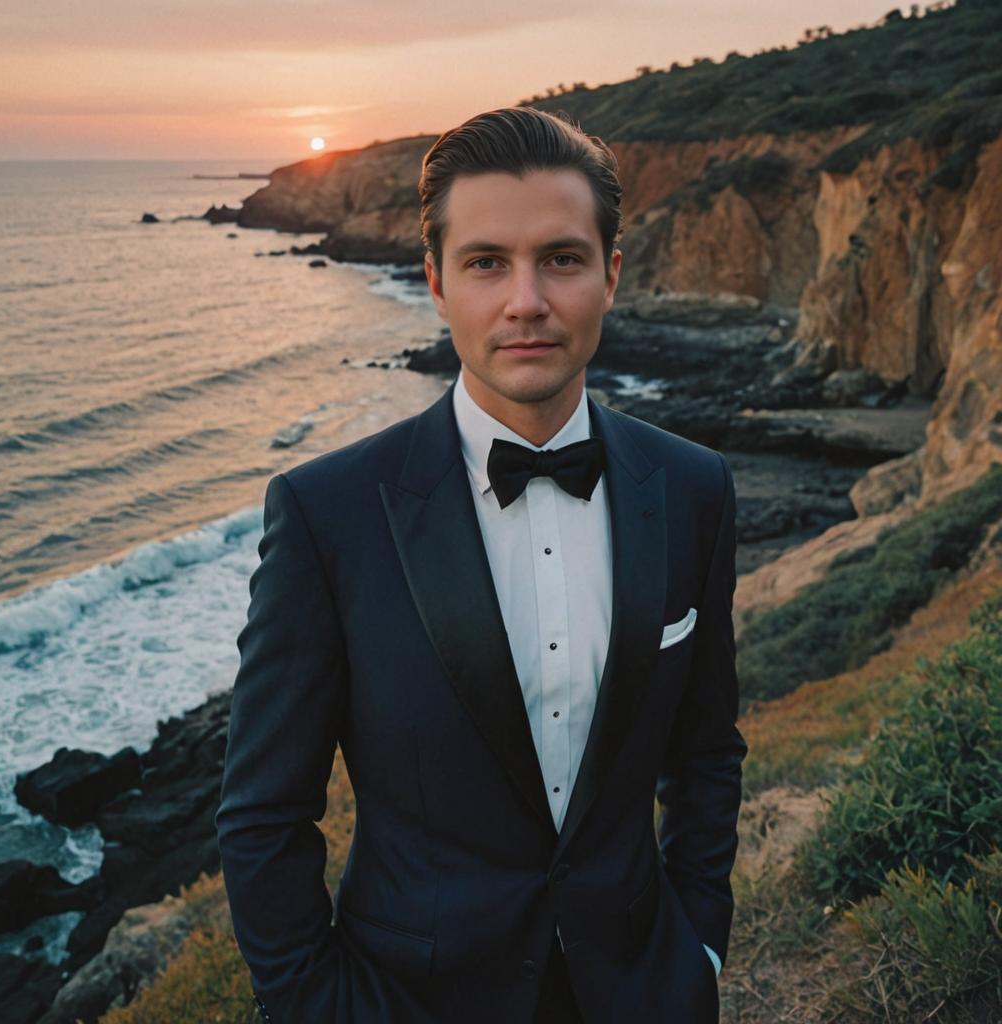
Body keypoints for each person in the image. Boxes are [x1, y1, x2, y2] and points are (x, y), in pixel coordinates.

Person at [216, 106, 747, 1024]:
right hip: (406, 1001)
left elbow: (704, 754)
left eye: (563, 259)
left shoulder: (695, 489)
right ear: (435, 281)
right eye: (487, 262)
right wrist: (315, 1004)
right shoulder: (325, 513)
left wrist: (698, 945)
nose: (527, 300)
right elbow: (264, 812)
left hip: (643, 990)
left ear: (612, 276)